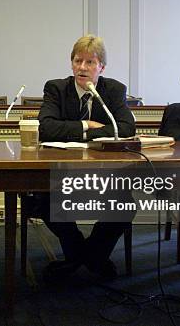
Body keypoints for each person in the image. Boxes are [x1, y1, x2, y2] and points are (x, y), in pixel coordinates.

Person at [37, 34, 136, 282]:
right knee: (44, 201)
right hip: (62, 173)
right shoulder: (56, 88)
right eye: (77, 61)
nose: (82, 68)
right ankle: (87, 255)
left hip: (104, 174)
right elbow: (46, 127)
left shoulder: (113, 89)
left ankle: (85, 256)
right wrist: (85, 124)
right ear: (71, 63)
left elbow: (125, 128)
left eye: (90, 62)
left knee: (125, 205)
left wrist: (80, 130)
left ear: (101, 67)